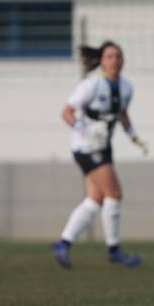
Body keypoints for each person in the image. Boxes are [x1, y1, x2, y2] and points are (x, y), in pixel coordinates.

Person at [51, 41, 146, 269]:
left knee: (95, 200)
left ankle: (63, 244)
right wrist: (86, 131)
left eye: (118, 56)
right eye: (110, 56)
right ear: (102, 61)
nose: (115, 60)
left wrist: (134, 136)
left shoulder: (126, 87)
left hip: (104, 147)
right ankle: (113, 250)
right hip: (86, 147)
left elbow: (122, 113)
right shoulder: (91, 85)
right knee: (114, 192)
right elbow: (66, 113)